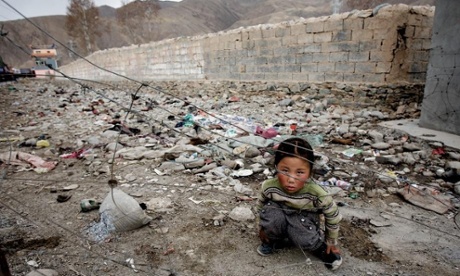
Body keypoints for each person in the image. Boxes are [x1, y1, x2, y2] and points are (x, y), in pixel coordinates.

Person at [256, 137, 343, 270]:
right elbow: (260, 206)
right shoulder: (269, 187)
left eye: (300, 172)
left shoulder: (318, 193)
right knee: (271, 214)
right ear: (275, 167)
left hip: (304, 217)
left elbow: (333, 215)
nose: (291, 179)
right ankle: (274, 240)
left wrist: (331, 241)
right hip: (279, 211)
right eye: (285, 170)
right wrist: (262, 228)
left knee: (301, 234)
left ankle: (319, 248)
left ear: (310, 172)